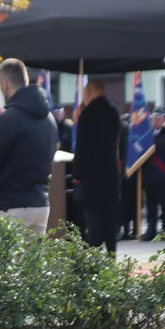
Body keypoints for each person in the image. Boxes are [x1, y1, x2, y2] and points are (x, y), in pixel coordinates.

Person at [0, 58, 57, 234]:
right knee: (35, 261)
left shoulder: (7, 119)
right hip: (40, 203)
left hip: (11, 204)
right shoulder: (49, 119)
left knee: (8, 261)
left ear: (5, 84)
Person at [74, 80, 121, 251]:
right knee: (110, 224)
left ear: (89, 93)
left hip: (91, 180)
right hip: (110, 177)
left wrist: (76, 174)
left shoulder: (87, 116)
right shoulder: (113, 112)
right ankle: (111, 260)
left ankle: (94, 267)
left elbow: (82, 149)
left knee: (94, 227)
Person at [142, 109, 165, 240]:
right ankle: (151, 229)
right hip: (150, 178)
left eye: (158, 118)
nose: (155, 121)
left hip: (164, 178)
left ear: (163, 120)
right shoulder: (146, 137)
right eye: (153, 118)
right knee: (151, 205)